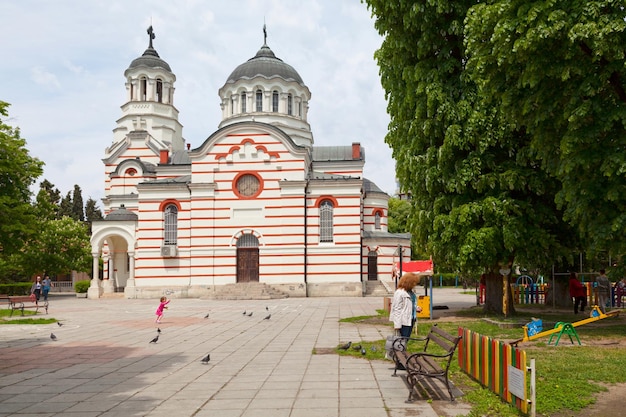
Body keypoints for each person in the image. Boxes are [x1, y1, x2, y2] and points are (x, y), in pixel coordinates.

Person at [390, 273, 422, 338]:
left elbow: (410, 304)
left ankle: (404, 348)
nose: (415, 285)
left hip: (411, 319)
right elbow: (397, 309)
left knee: (406, 339)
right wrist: (397, 325)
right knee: (401, 341)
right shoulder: (399, 293)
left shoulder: (411, 292)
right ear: (409, 282)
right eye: (414, 283)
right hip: (403, 321)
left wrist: (416, 308)